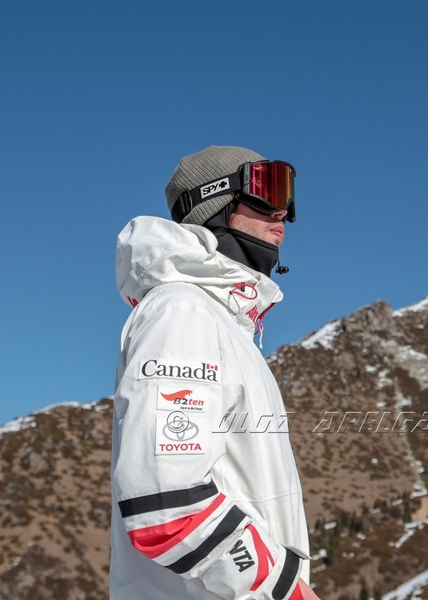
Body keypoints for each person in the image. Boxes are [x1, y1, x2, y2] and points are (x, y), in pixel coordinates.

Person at [110, 146, 317, 599]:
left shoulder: (223, 324)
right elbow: (166, 504)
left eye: (288, 194)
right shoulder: (182, 311)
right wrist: (286, 592)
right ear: (215, 200)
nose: (282, 211)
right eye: (267, 187)